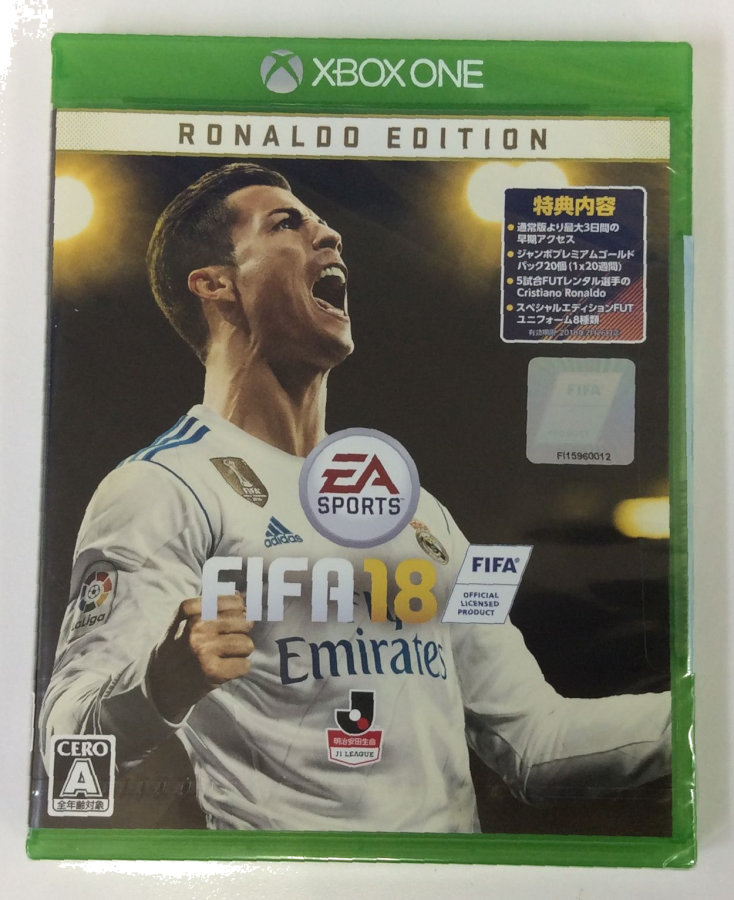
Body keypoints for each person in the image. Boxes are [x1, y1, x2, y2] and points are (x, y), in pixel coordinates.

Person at [40, 162, 671, 832]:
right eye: (287, 223)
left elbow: (539, 743)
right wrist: (159, 688)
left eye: (323, 222)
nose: (331, 235)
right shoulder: (162, 486)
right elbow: (67, 744)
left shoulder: (422, 512)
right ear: (215, 283)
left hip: (450, 879)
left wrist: (707, 712)